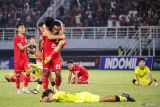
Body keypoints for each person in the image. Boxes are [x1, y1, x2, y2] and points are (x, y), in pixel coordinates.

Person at [42, 17, 66, 92]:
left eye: (57, 29)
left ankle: (56, 88)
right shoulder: (46, 31)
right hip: (46, 55)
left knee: (58, 74)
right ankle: (45, 91)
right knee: (46, 73)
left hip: (55, 56)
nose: (55, 31)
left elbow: (57, 48)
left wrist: (62, 37)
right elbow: (49, 36)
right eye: (54, 29)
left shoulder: (62, 38)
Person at [40, 89, 135, 102]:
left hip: (84, 97)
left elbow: (48, 100)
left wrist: (42, 99)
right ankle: (123, 96)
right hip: (82, 96)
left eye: (47, 95)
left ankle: (124, 97)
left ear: (50, 94)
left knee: (105, 99)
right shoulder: (58, 94)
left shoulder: (57, 94)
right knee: (104, 99)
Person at [13, 23, 31, 94]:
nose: (23, 29)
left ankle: (25, 87)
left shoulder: (24, 37)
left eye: (24, 27)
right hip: (18, 59)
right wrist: (29, 44)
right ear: (18, 29)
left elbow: (25, 49)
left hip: (25, 58)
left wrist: (27, 54)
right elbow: (21, 48)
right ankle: (18, 89)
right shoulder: (16, 37)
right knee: (18, 74)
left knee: (28, 71)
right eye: (21, 28)